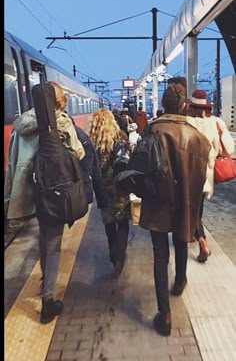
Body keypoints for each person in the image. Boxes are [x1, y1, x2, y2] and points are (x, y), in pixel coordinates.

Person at [4, 81, 86, 324]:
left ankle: (44, 281)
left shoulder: (21, 125)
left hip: (28, 190)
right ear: (59, 101)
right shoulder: (59, 121)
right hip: (51, 191)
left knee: (43, 237)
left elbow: (12, 160)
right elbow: (78, 152)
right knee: (52, 242)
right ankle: (48, 301)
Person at [139, 85, 211, 336]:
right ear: (183, 105)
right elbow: (201, 171)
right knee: (181, 241)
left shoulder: (152, 129)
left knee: (160, 255)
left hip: (157, 199)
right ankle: (180, 280)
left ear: (163, 102)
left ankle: (165, 315)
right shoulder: (195, 135)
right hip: (183, 199)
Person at [187, 89, 235, 262]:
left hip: (189, 169)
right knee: (198, 206)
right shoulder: (214, 122)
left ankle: (202, 241)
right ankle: (194, 234)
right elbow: (224, 149)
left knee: (191, 207)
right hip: (207, 170)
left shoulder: (187, 122)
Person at [89, 108, 131, 277]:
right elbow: (126, 161)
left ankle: (114, 256)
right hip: (119, 186)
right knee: (122, 221)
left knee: (109, 222)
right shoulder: (120, 137)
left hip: (101, 189)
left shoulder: (91, 142)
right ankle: (119, 254)